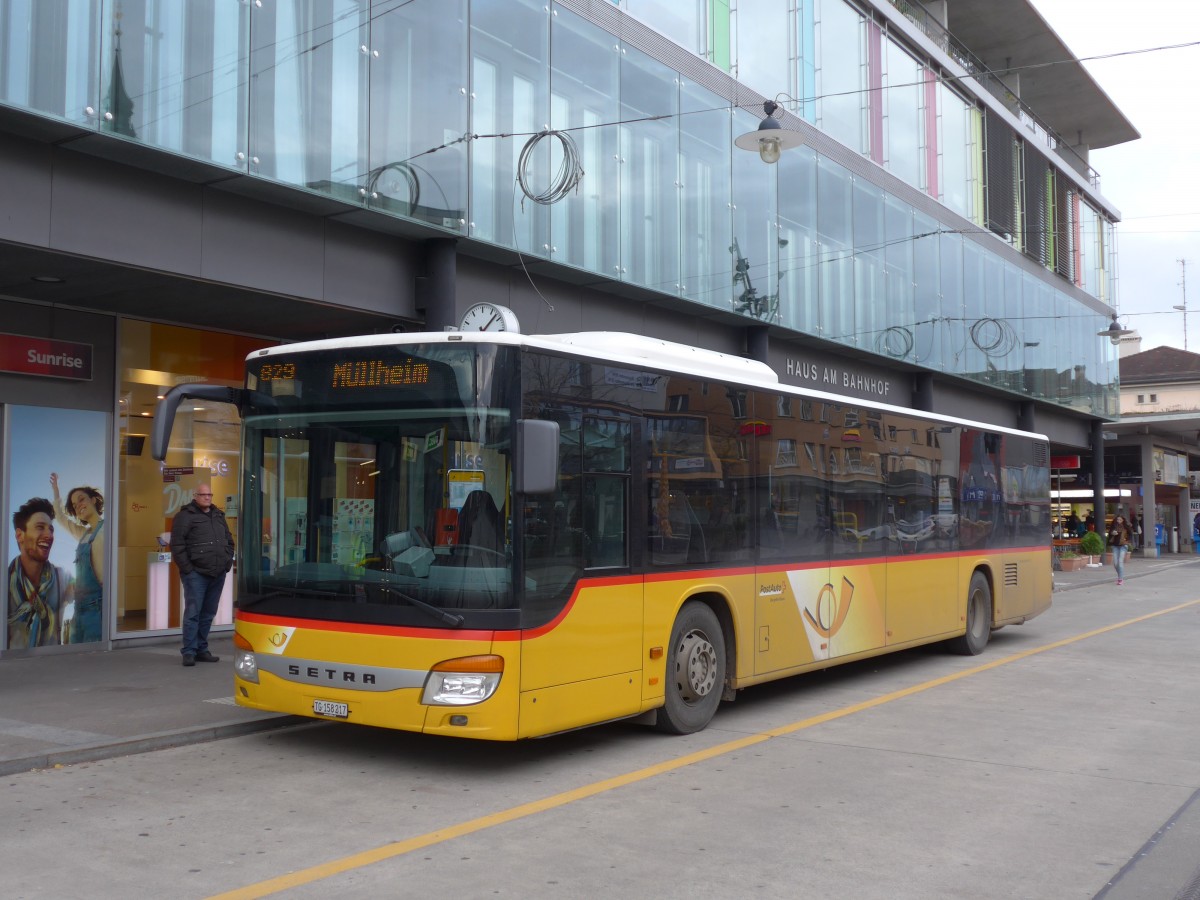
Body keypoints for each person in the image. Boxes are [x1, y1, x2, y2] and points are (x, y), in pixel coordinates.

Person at [170, 484, 234, 667]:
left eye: (210, 494)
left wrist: (227, 562)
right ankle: (189, 651)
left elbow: (229, 541)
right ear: (195, 496)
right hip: (196, 574)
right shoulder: (185, 516)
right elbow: (177, 545)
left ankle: (201, 649)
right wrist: (188, 569)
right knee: (193, 613)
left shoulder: (218, 515)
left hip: (218, 572)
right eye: (203, 495)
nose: (207, 497)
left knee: (208, 614)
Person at [8, 497, 74, 648]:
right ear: (20, 536)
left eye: (51, 529)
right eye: (40, 527)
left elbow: (89, 596)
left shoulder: (62, 578)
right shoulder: (5, 582)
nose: (49, 535)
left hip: (53, 663)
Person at [51, 473, 105, 643]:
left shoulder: (108, 529)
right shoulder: (83, 535)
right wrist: (56, 491)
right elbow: (60, 518)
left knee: (93, 660)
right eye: (75, 505)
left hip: (97, 609)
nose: (78, 506)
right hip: (78, 610)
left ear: (94, 500)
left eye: (81, 499)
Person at [1107, 514, 1132, 586]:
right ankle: (1120, 575)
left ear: (1123, 520)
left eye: (1120, 520)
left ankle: (1120, 579)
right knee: (1115, 563)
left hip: (1123, 546)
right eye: (1117, 520)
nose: (1118, 521)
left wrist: (1127, 541)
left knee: (1120, 562)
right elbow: (1109, 535)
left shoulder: (1126, 527)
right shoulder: (1114, 526)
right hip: (1115, 546)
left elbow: (1131, 535)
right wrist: (1112, 533)